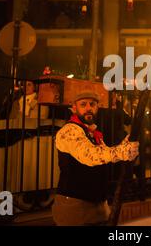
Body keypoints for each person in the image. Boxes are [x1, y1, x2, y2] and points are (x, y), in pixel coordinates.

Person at [52, 90, 139, 226]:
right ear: (74, 108)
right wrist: (121, 152)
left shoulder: (93, 133)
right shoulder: (69, 131)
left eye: (92, 104)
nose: (88, 108)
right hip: (75, 207)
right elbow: (91, 155)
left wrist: (126, 146)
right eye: (83, 104)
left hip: (98, 205)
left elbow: (104, 154)